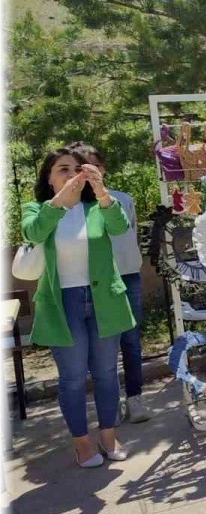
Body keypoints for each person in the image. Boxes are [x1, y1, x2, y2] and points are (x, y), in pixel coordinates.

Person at [23, 146, 135, 467]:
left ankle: (109, 436)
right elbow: (33, 231)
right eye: (63, 169)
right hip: (63, 303)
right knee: (72, 378)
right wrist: (59, 204)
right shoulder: (37, 209)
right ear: (49, 177)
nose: (72, 175)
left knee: (106, 374)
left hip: (103, 300)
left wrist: (100, 191)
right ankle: (82, 444)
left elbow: (119, 226)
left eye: (77, 170)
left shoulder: (97, 208)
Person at [67, 142, 152, 424]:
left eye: (94, 166)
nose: (88, 173)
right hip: (91, 282)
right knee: (98, 346)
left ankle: (135, 397)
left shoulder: (122, 199)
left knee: (130, 339)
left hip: (126, 277)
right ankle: (108, 402)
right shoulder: (70, 207)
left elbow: (128, 237)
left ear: (102, 169)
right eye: (80, 167)